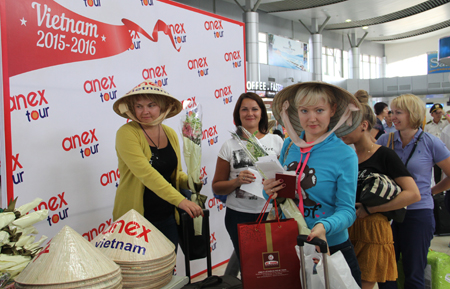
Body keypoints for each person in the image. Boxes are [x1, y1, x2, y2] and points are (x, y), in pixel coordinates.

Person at [263, 82, 363, 286]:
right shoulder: (290, 146)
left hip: (331, 249)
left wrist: (324, 226)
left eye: (319, 110)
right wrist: (269, 192)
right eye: (304, 110)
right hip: (292, 246)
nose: (312, 118)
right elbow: (282, 197)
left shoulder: (345, 155)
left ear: (332, 110)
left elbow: (347, 210)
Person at [112, 80, 203, 249]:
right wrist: (181, 201)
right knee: (142, 273)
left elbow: (175, 174)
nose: (144, 111)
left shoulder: (170, 133)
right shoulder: (126, 133)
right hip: (135, 220)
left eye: (151, 105)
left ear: (162, 107)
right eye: (139, 106)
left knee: (168, 268)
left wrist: (190, 181)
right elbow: (147, 174)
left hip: (167, 216)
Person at [341, 97, 420, 289]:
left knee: (364, 284)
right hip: (346, 227)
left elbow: (412, 194)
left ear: (364, 125)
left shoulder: (384, 155)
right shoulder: (345, 157)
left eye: (346, 125)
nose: (340, 130)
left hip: (373, 229)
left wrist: (372, 208)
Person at [376, 94, 450, 289]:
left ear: (413, 114)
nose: (393, 117)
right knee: (386, 272)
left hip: (418, 213)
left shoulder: (430, 142)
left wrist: (431, 191)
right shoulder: (385, 140)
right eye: (392, 112)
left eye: (398, 112)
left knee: (414, 273)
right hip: (388, 213)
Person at [212, 92, 283, 265]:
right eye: (244, 109)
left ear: (261, 113)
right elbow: (217, 187)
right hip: (238, 216)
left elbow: (287, 181)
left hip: (271, 214)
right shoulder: (229, 146)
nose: (249, 113)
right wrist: (237, 181)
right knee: (249, 266)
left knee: (272, 265)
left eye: (254, 109)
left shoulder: (276, 141)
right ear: (238, 114)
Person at [425, 103, 450, 184]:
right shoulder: (428, 125)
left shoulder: (445, 122)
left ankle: (446, 188)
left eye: (440, 112)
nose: (438, 115)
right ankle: (439, 192)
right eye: (436, 113)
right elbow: (425, 138)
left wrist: (445, 113)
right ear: (432, 114)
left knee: (447, 170)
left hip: (446, 149)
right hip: (434, 151)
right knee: (437, 171)